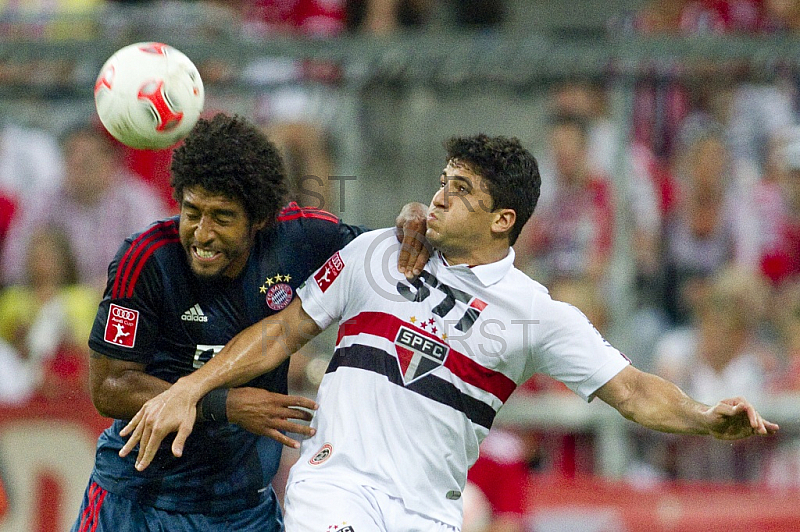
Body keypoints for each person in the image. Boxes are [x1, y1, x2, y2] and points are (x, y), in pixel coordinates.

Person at [121, 134, 778, 531]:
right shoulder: (379, 251)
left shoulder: (535, 312)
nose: (437, 196)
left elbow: (631, 390)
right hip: (336, 484)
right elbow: (279, 334)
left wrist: (702, 416)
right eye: (440, 183)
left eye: (460, 190)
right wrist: (192, 387)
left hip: (429, 512)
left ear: (502, 219)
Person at [70, 113, 428, 532]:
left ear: (260, 219)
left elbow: (388, 251)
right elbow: (108, 387)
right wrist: (227, 406)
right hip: (137, 500)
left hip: (240, 511)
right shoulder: (146, 260)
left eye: (222, 217)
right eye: (192, 212)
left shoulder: (303, 239)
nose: (202, 234)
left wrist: (413, 217)